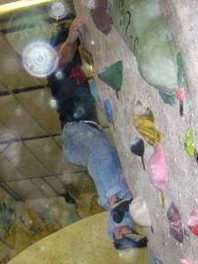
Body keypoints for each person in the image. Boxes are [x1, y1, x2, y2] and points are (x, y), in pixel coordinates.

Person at [48, 17, 147, 250]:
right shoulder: (56, 69)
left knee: (111, 164)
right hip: (75, 134)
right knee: (106, 160)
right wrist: (71, 39)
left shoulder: (76, 72)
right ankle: (121, 221)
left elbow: (97, 88)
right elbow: (62, 56)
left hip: (89, 132)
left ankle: (119, 227)